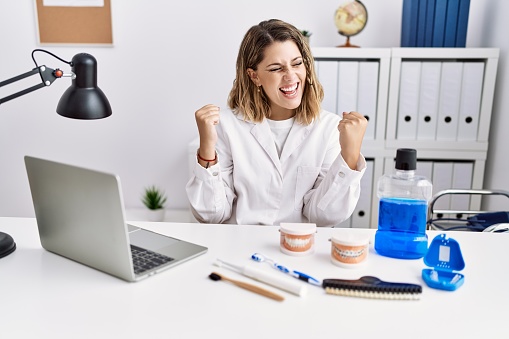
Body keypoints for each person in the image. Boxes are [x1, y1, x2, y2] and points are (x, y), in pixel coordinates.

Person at [186, 19, 367, 227]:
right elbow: (211, 214)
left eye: (297, 63)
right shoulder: (226, 126)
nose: (291, 76)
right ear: (254, 76)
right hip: (239, 246)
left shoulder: (329, 128)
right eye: (275, 68)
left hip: (297, 248)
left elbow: (323, 217)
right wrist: (206, 148)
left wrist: (350, 155)